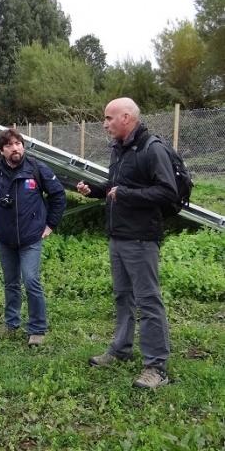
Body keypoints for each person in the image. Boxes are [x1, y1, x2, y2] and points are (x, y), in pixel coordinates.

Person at [76, 97, 176, 389]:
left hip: (142, 238)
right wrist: (94, 191)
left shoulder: (151, 148)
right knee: (123, 296)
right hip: (118, 236)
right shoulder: (119, 149)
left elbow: (167, 192)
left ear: (127, 117)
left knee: (148, 301)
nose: (105, 124)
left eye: (109, 118)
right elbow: (115, 187)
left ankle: (156, 367)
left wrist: (126, 194)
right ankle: (121, 350)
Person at [0, 128, 66, 347]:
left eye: (18, 143)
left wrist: (50, 224)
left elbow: (58, 195)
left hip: (31, 238)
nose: (15, 148)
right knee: (11, 282)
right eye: (9, 145)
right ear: (1, 151)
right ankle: (11, 324)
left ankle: (37, 328)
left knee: (31, 280)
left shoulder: (36, 168)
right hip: (4, 239)